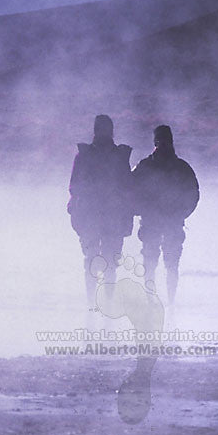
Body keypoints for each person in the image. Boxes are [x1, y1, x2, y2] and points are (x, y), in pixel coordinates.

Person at [67, 115, 133, 305]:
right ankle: (100, 302)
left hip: (98, 215)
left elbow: (74, 187)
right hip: (102, 215)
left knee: (98, 260)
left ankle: (97, 302)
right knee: (103, 261)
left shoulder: (87, 155)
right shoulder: (117, 156)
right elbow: (128, 188)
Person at [132, 124, 199, 305]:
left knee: (166, 263)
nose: (162, 145)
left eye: (164, 141)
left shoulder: (147, 166)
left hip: (167, 222)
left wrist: (180, 214)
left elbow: (193, 194)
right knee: (154, 262)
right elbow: (131, 192)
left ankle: (167, 301)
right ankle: (156, 299)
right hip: (159, 221)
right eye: (161, 141)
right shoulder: (179, 167)